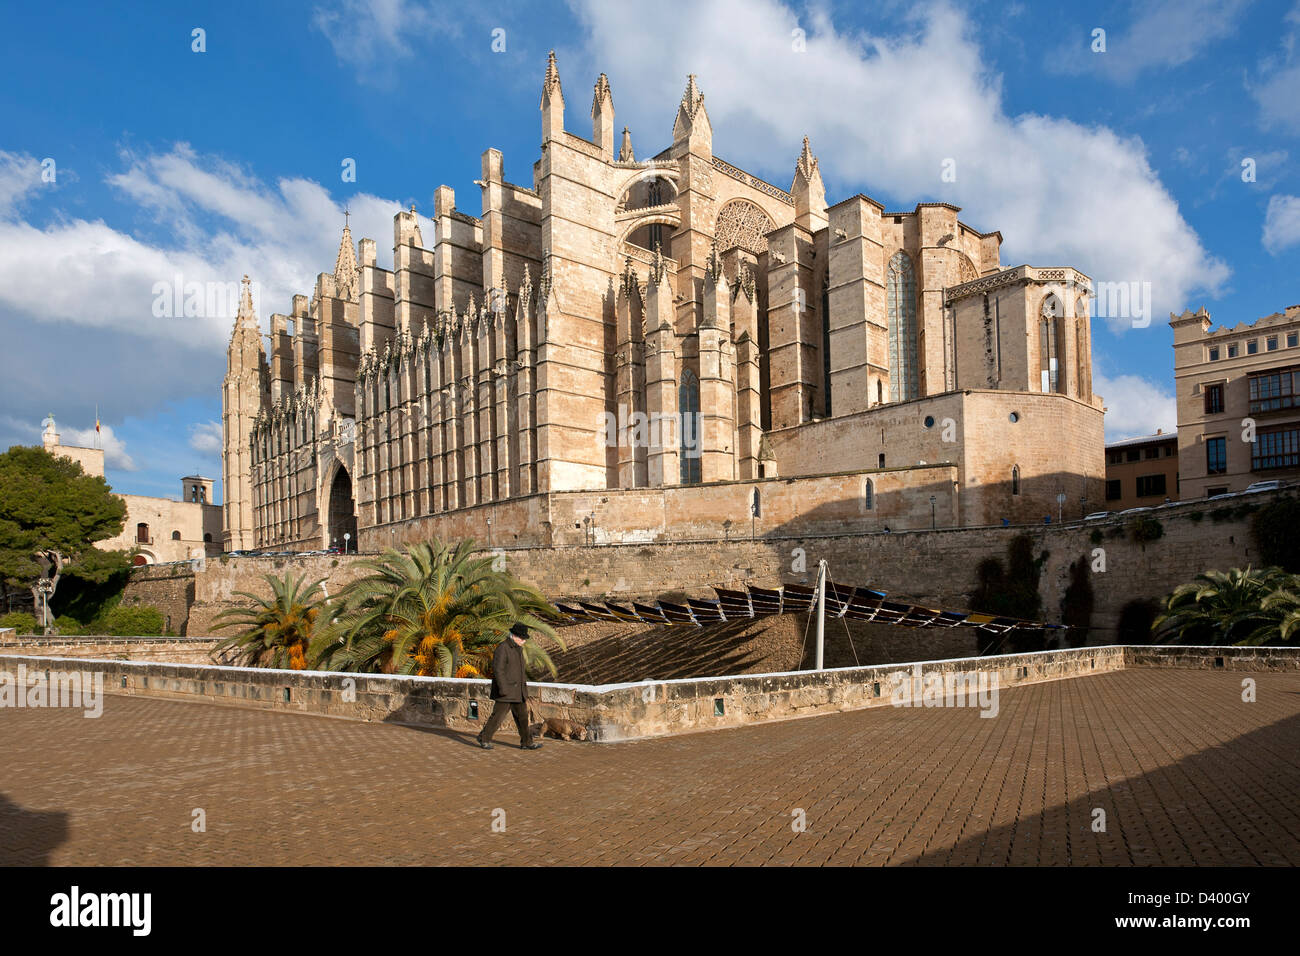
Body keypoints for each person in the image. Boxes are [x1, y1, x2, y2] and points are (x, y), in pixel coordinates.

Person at [476, 623, 542, 751]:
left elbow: (519, 672)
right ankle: (484, 738)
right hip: (506, 692)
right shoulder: (503, 648)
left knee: (522, 718)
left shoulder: (518, 649)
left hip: (518, 692)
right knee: (497, 718)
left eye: (524, 638)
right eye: (522, 638)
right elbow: (498, 670)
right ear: (514, 636)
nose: (524, 640)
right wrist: (503, 689)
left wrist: (523, 690)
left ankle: (527, 742)